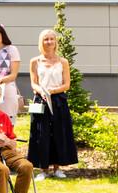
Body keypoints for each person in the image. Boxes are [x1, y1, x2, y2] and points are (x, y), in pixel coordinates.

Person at [27, 29, 79, 179]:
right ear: (41, 42)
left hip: (58, 100)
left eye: (51, 39)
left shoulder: (63, 62)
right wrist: (42, 91)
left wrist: (52, 91)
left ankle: (57, 169)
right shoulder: (35, 61)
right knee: (41, 134)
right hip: (40, 100)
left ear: (56, 42)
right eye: (46, 39)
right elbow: (33, 83)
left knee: (59, 133)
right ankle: (43, 170)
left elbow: (67, 84)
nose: (49, 42)